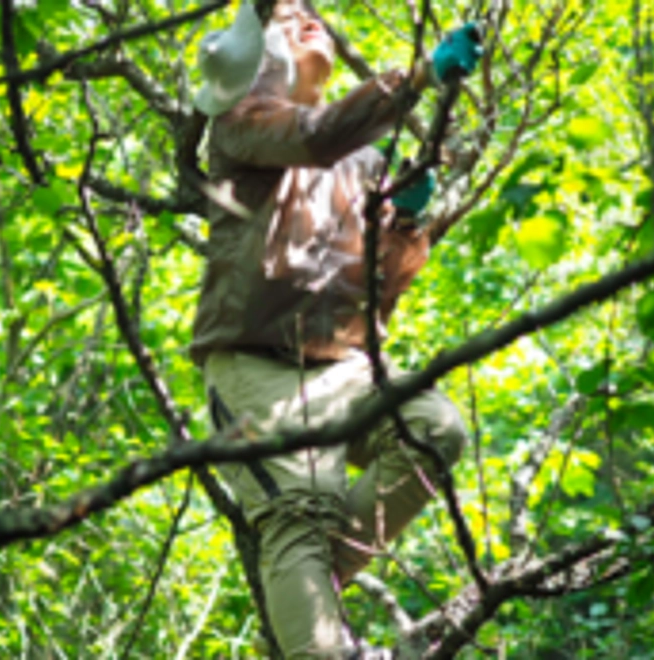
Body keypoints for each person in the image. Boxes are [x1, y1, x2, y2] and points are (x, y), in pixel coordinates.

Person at [189, 1, 482, 657]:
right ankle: (315, 624)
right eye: (288, 18)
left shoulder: (365, 161)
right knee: (301, 509)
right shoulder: (239, 126)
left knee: (434, 429)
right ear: (259, 58)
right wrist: (418, 77)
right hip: (256, 367)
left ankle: (306, 586)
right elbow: (316, 136)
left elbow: (381, 289)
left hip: (346, 368)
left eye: (311, 12)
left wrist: (405, 223)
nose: (309, 20)